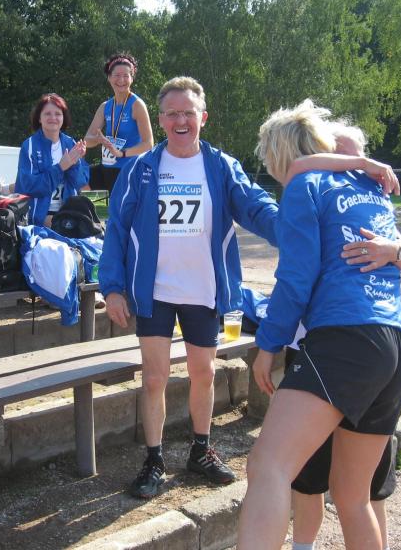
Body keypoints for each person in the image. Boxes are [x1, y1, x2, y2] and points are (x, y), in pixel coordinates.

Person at [237, 99, 401, 550]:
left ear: (278, 153)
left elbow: (295, 279)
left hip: (345, 338)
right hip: (396, 346)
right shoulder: (369, 188)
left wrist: (268, 344)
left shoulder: (305, 185)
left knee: (268, 466)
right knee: (353, 495)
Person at [98, 76, 280, 499]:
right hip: (154, 291)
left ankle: (201, 450)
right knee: (154, 378)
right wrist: (113, 288)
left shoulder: (221, 166)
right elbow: (117, 229)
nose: (181, 121)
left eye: (189, 113)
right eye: (172, 113)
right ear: (161, 119)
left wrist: (292, 229)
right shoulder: (141, 168)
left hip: (204, 290)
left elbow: (255, 206)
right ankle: (154, 460)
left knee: (204, 372)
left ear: (203, 117)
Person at [286, 120, 401, 550]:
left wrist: (391, 250)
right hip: (321, 345)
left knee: (363, 488)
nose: (347, 163)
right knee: (312, 478)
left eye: (355, 155)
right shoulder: (316, 187)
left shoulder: (369, 203)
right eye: (338, 154)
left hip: (356, 347)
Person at [85, 52, 154, 194]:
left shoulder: (137, 105)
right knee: (78, 177)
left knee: (119, 206)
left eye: (126, 76)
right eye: (116, 75)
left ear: (132, 78)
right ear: (109, 77)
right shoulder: (105, 106)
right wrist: (98, 139)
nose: (121, 80)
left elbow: (148, 144)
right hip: (107, 167)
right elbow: (87, 140)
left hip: (129, 168)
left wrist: (121, 153)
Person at [16, 93, 89, 227]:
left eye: (58, 114)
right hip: (39, 217)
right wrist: (60, 168)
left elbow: (80, 182)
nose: (53, 118)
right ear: (39, 118)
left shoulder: (71, 143)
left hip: (68, 215)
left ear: (63, 117)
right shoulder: (29, 146)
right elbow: (29, 186)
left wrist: (75, 163)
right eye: (47, 114)